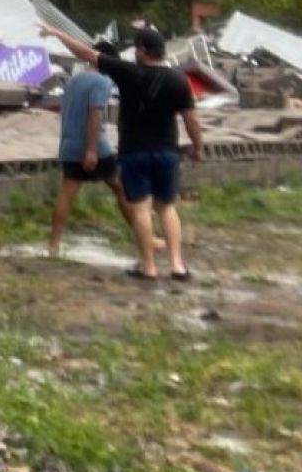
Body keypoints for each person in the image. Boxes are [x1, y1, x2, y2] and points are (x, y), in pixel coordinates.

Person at [40, 23, 204, 281]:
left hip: (135, 151)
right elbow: (191, 119)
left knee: (140, 209)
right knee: (167, 207)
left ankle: (148, 266)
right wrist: (198, 147)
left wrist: (56, 33)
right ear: (161, 51)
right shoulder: (179, 80)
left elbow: (86, 53)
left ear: (141, 50)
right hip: (166, 151)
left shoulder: (127, 73)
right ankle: (177, 265)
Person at [49, 40, 133, 258]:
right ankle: (143, 236)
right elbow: (94, 114)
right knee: (121, 189)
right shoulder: (102, 82)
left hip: (68, 144)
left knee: (66, 194)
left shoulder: (74, 81)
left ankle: (53, 245)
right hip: (94, 145)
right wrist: (92, 149)